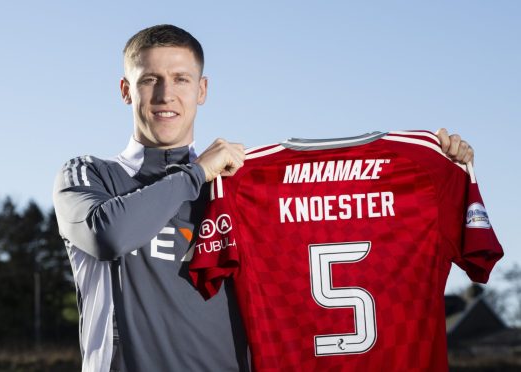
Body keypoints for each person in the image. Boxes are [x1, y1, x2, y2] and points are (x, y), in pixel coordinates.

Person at [53, 24, 475, 372]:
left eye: (181, 79)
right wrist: (196, 172)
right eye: (150, 80)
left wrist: (444, 170)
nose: (166, 95)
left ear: (202, 90)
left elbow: (337, 211)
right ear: (126, 90)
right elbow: (106, 234)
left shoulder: (237, 185)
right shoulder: (90, 174)